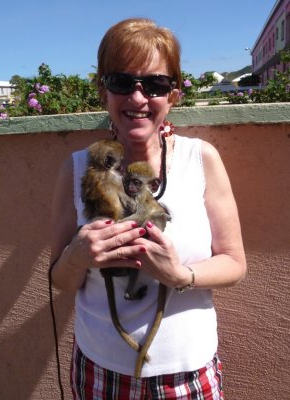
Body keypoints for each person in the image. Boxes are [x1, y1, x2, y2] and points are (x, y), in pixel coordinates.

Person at [50, 18, 246, 400]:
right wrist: (77, 256)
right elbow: (59, 278)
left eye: (155, 85)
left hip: (187, 375)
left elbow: (234, 263)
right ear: (103, 91)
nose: (138, 99)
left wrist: (180, 274)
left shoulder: (201, 159)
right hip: (99, 372)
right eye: (121, 82)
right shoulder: (75, 167)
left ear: (173, 95)